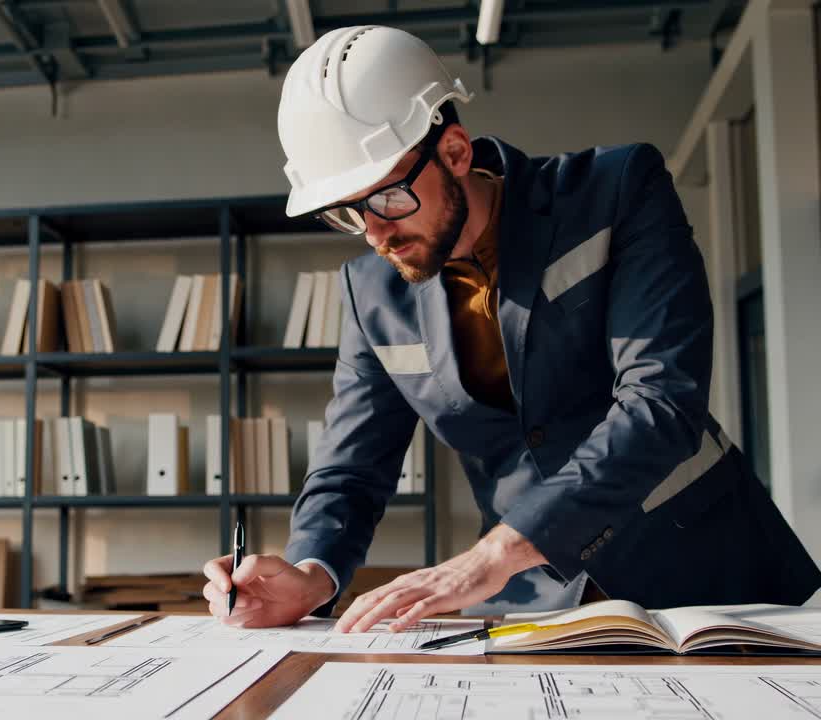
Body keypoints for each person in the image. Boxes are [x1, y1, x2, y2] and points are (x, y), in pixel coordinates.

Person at [202, 25, 820, 634]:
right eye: (347, 211)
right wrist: (314, 571)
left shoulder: (618, 191)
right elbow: (350, 470)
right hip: (535, 607)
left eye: (387, 198)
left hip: (709, 577)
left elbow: (662, 401)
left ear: (454, 152)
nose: (374, 232)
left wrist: (497, 552)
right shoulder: (370, 293)